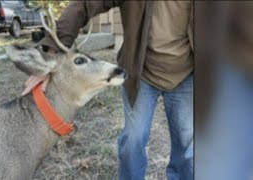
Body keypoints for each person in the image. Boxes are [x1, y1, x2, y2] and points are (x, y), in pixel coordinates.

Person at [25, 1, 194, 179]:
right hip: (141, 74)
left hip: (186, 75)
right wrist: (50, 56)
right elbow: (84, 4)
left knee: (187, 143)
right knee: (133, 142)